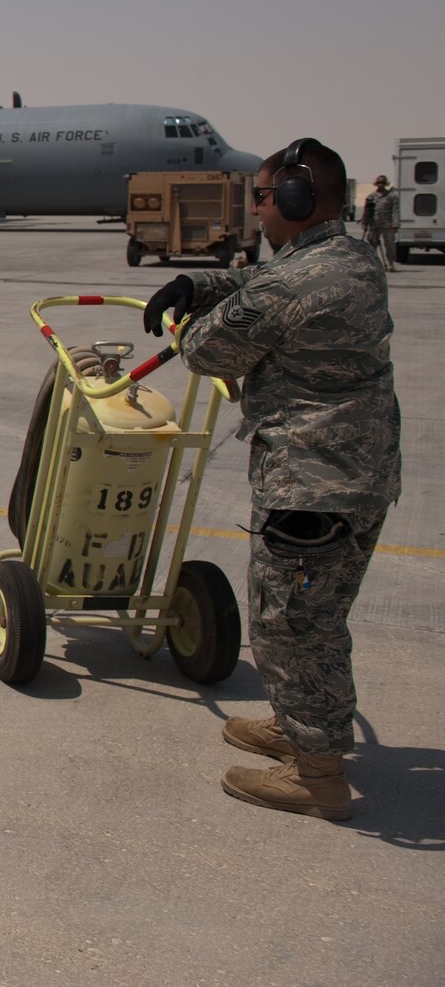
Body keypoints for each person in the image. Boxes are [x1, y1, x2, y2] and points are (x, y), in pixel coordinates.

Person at [143, 138, 399, 822]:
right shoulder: (351, 259)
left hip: (311, 485)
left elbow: (205, 348)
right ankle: (297, 725)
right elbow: (269, 284)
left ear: (293, 199)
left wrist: (190, 311)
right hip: (360, 477)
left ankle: (317, 772)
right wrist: (199, 282)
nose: (255, 210)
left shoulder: (291, 284)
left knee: (291, 625)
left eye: (261, 197)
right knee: (314, 616)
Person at [362, 174, 400, 272]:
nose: (380, 185)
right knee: (372, 245)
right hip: (374, 224)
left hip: (388, 225)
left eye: (382, 183)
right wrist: (364, 224)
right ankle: (374, 264)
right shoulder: (371, 196)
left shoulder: (392, 196)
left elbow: (395, 211)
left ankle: (390, 263)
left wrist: (395, 224)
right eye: (379, 183)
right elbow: (366, 211)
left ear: (385, 184)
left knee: (390, 245)